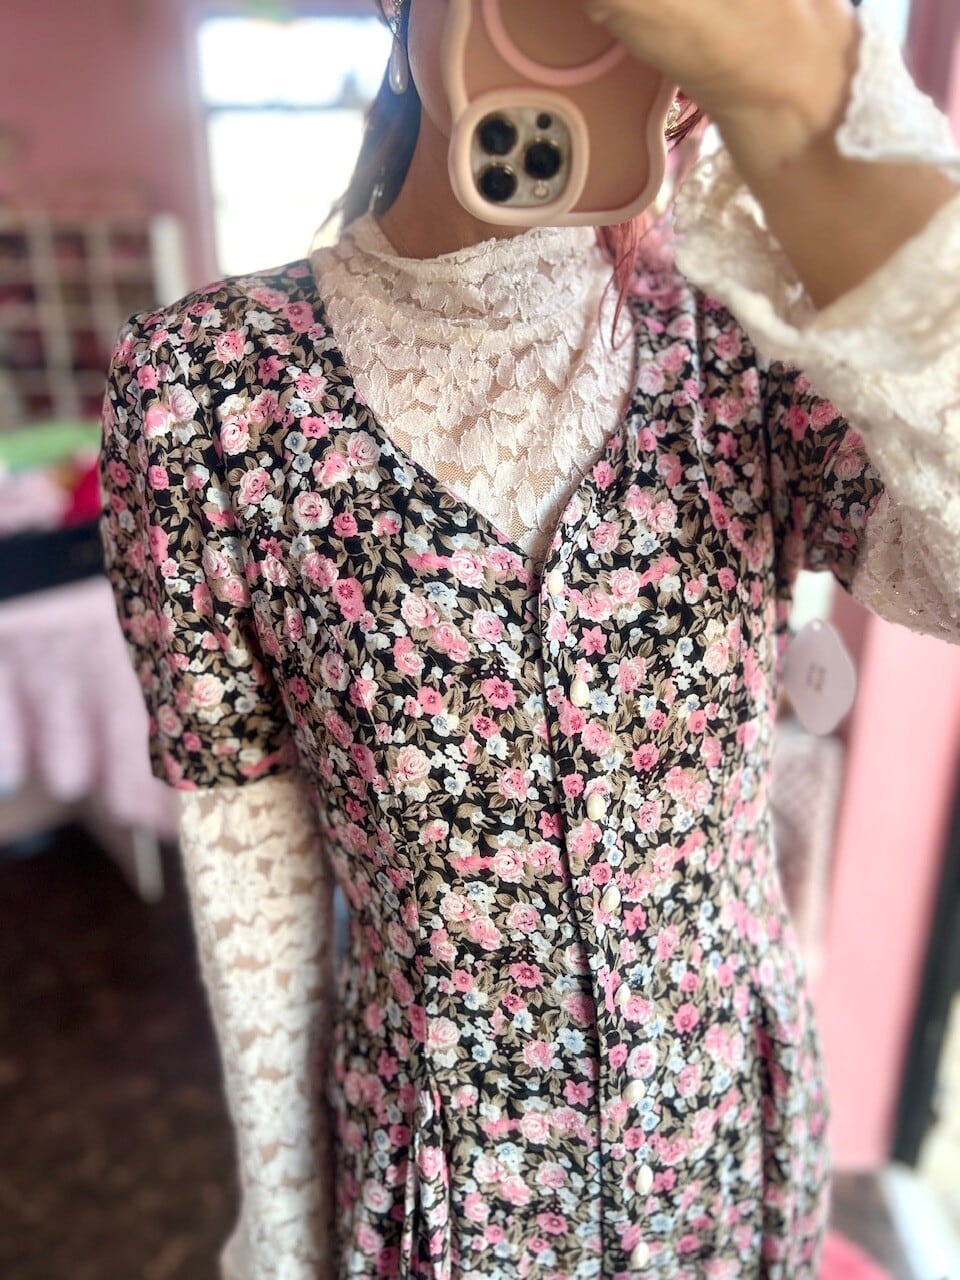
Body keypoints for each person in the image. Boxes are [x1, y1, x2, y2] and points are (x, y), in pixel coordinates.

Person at [98, 0, 960, 1277]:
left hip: (723, 1134)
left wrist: (815, 106)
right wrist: (280, 1225)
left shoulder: (743, 340)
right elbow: (247, 821)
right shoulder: (209, 390)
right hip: (443, 1177)